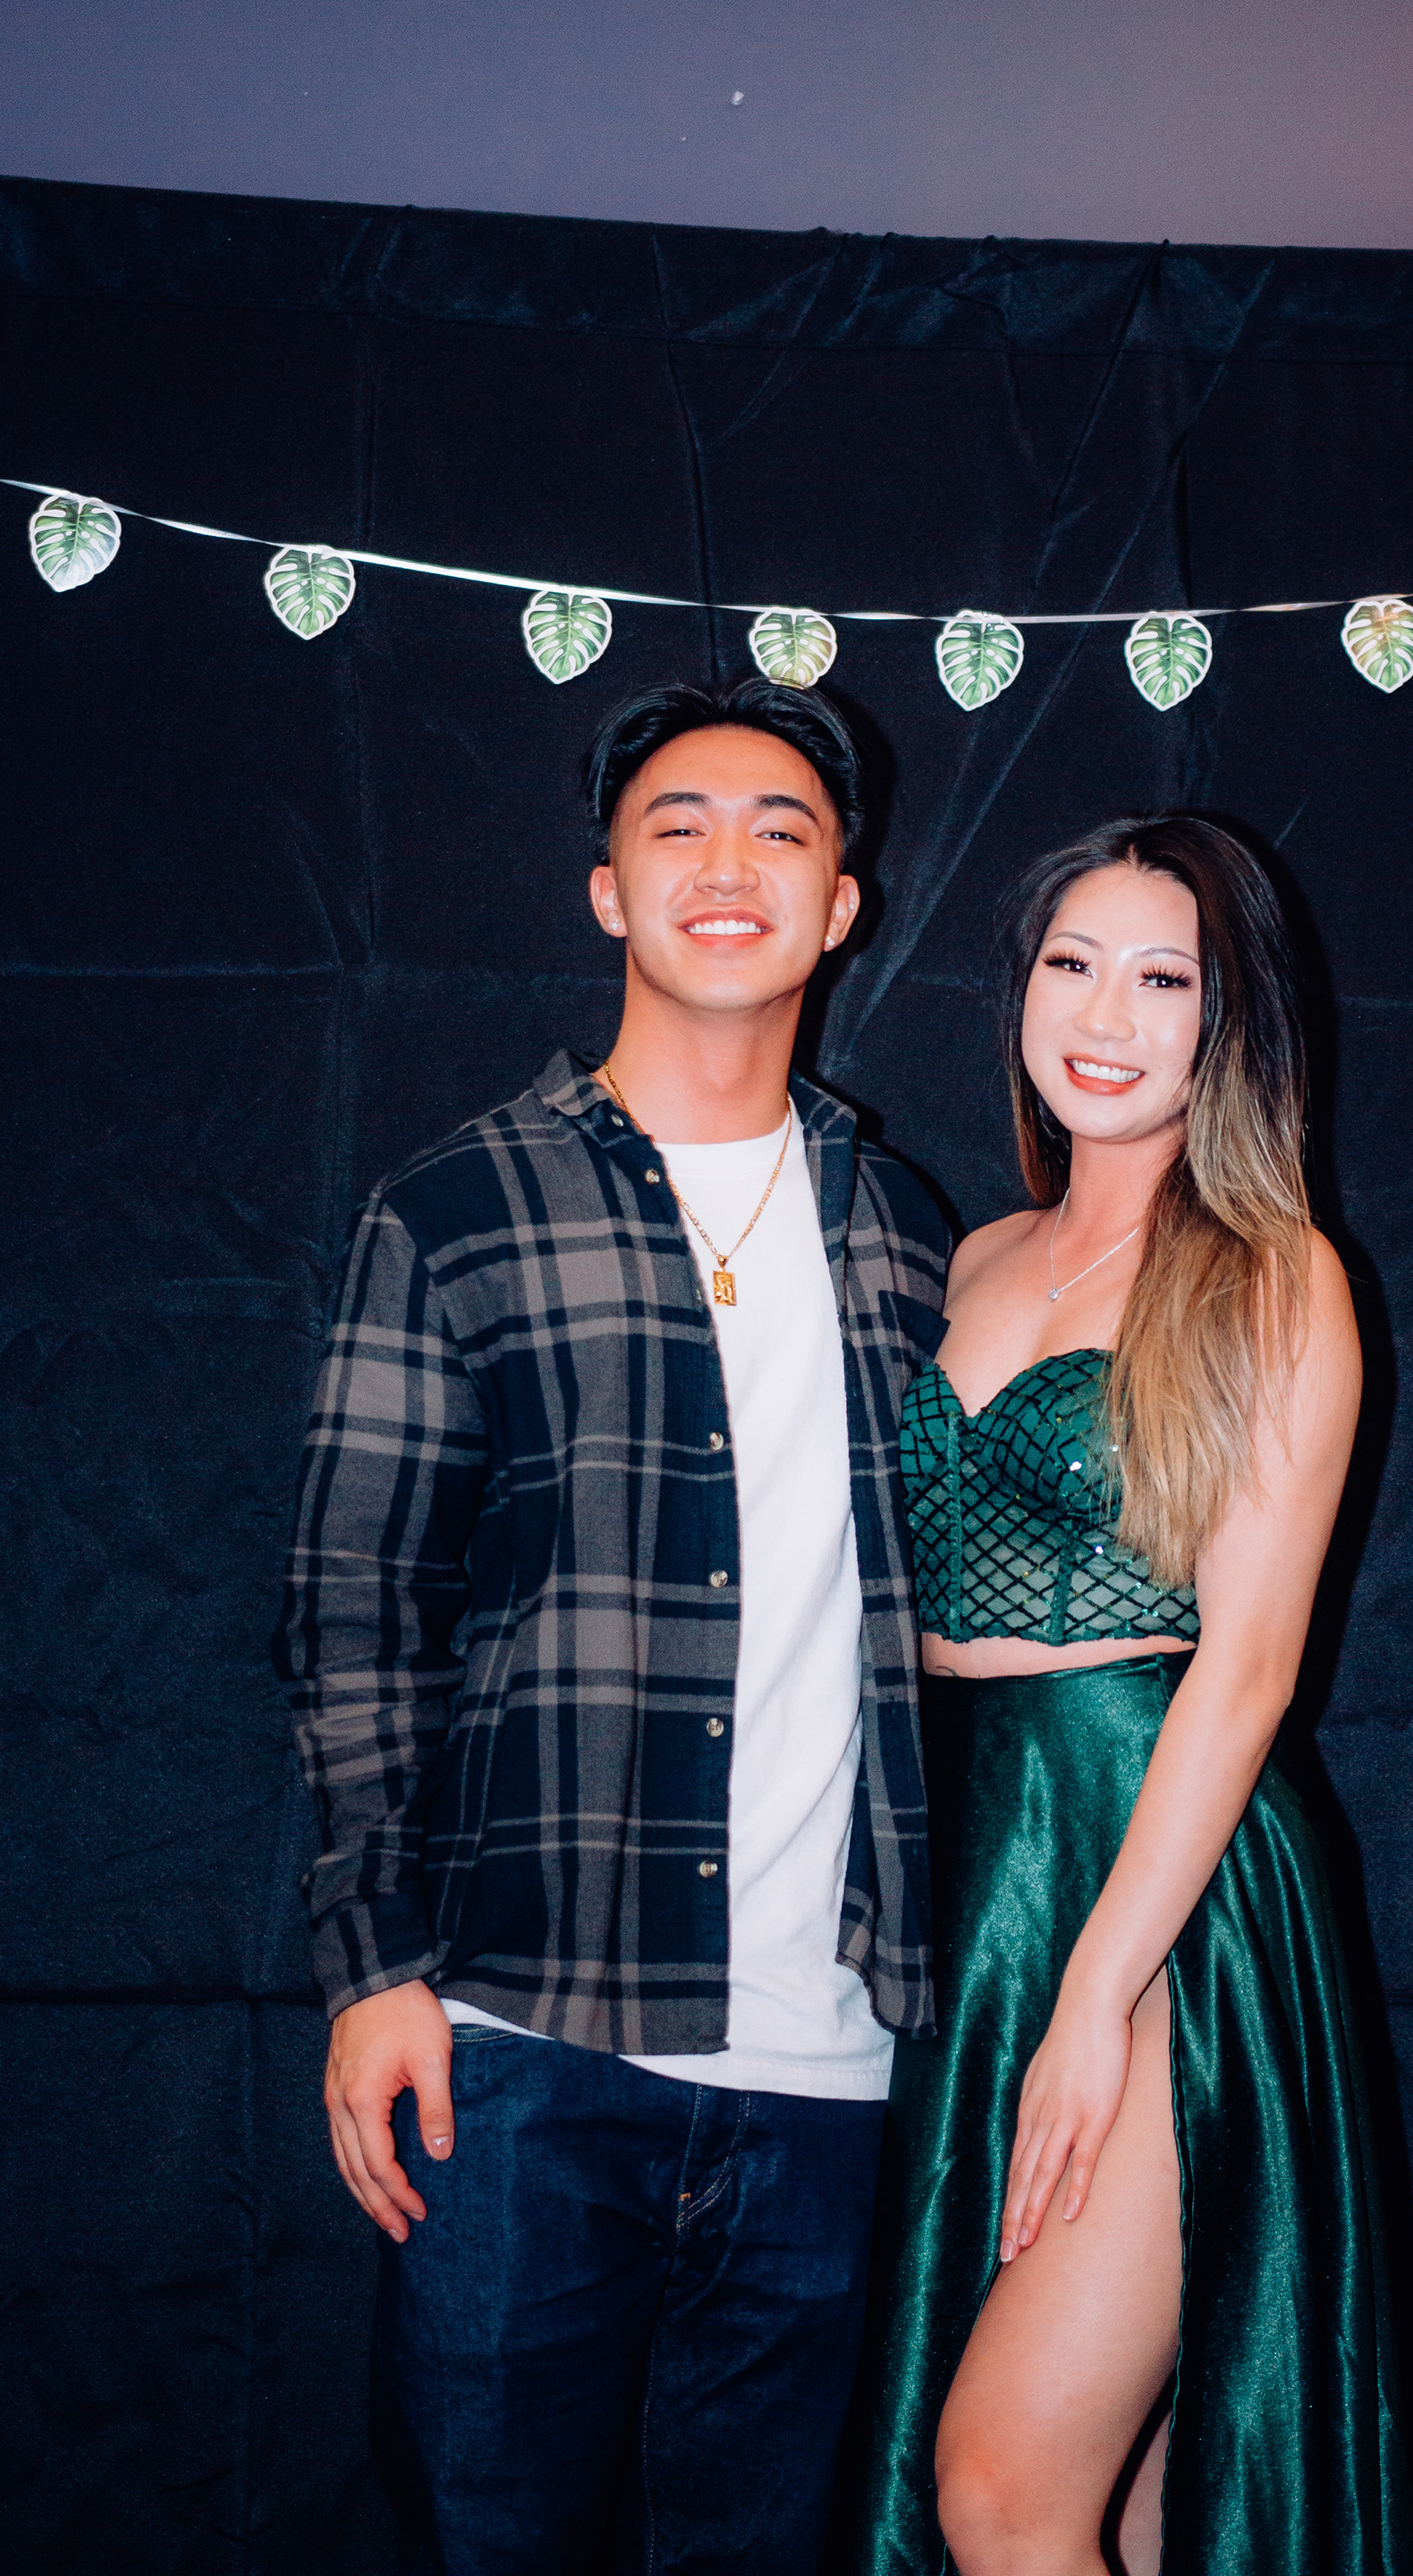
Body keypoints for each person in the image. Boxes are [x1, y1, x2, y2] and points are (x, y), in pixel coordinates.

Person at [273, 676, 950, 2576]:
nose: (729, 862)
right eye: (679, 826)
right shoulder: (456, 1209)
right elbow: (352, 1608)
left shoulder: (905, 1235)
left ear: (842, 906)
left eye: (781, 831)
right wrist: (371, 1971)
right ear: (606, 891)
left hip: (834, 2070)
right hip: (526, 2046)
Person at [842, 817, 1409, 2575]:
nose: (1107, 1013)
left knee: (1002, 2487)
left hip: (1175, 1887)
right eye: (1071, 963)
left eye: (1166, 978)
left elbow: (1250, 1670)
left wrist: (1101, 1995)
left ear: (1232, 1020)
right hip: (979, 1878)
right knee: (1131, 2501)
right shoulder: (969, 1259)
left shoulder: (1272, 1272)